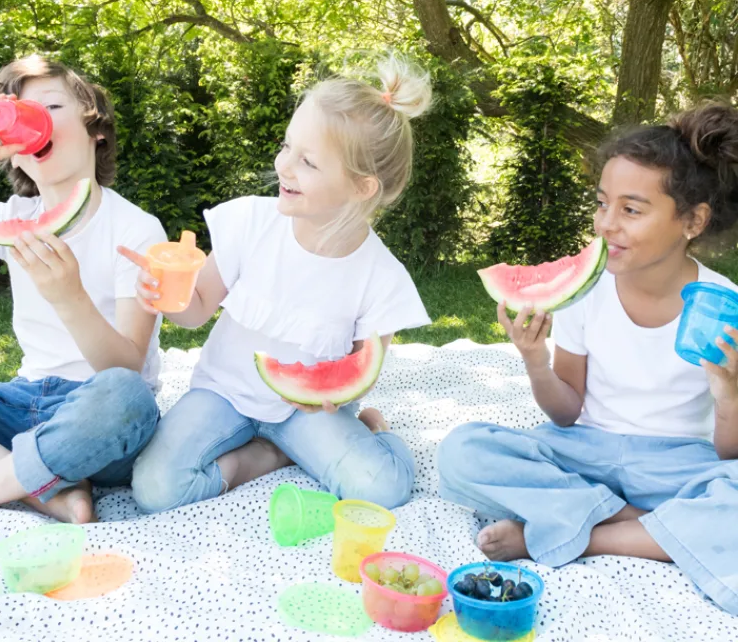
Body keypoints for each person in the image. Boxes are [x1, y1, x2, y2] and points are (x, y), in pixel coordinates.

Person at [438, 101, 738, 614]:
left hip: (677, 465)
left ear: (692, 221)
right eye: (602, 204)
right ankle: (642, 523)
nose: (606, 224)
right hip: (584, 453)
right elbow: (565, 412)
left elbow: (729, 454)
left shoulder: (723, 304)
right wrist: (535, 359)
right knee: (461, 451)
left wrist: (729, 393)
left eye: (631, 210)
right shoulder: (585, 293)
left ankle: (574, 534)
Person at [126, 55, 432, 513]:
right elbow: (195, 311)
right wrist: (165, 296)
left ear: (362, 187)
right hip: (223, 391)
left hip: (304, 411)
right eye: (286, 146)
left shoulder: (381, 277)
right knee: (155, 489)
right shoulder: (251, 221)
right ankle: (265, 457)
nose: (284, 166)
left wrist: (335, 396)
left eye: (307, 161)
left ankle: (378, 432)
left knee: (382, 490)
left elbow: (361, 370)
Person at [0, 55, 164, 523]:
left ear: (95, 129)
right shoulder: (10, 218)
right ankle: (45, 489)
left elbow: (125, 368)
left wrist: (70, 298)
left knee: (127, 395)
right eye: (19, 111)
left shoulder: (137, 230)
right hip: (21, 403)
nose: (32, 119)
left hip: (98, 418)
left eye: (52, 106)